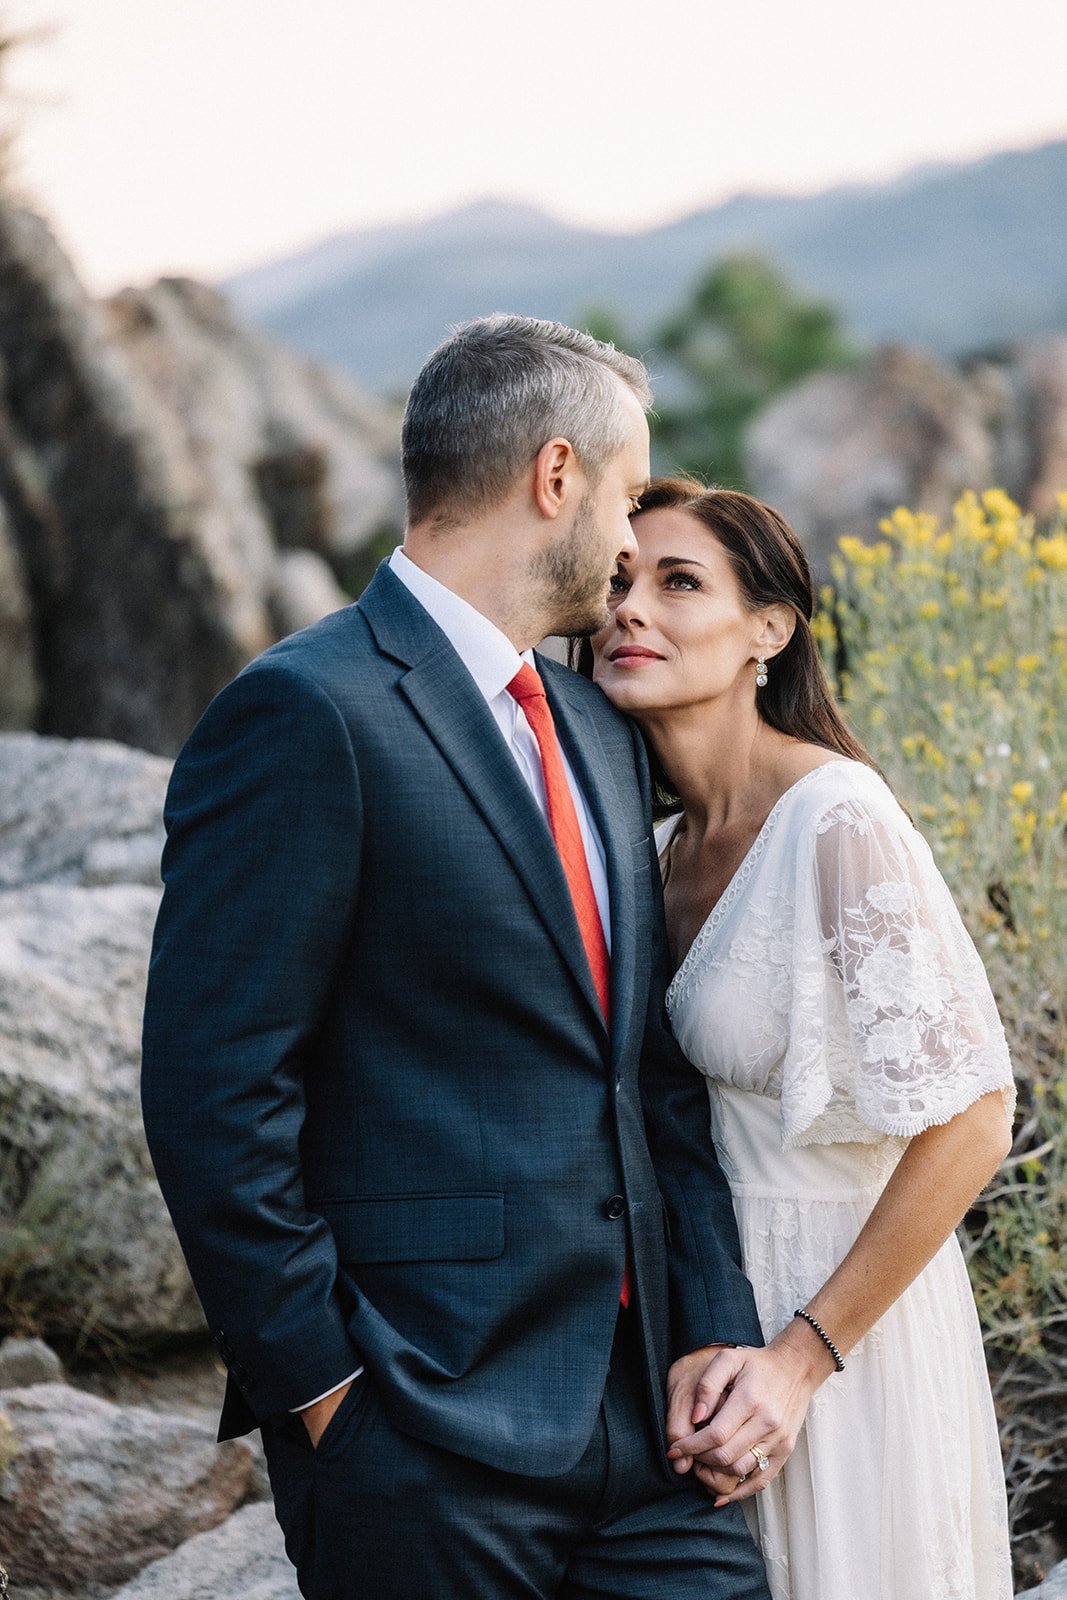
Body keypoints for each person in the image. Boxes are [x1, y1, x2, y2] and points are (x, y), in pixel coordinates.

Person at [140, 321, 774, 1600]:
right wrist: (326, 1396)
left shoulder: (595, 728)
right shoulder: (305, 711)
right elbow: (213, 1092)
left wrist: (712, 1324)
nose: (626, 543)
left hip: (645, 1431)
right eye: (625, 491)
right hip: (418, 1434)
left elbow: (644, 1073)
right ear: (555, 477)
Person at [586, 477, 1016, 1600]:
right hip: (710, 1325)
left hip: (839, 1320)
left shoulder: (835, 818)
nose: (630, 608)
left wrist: (797, 1359)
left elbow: (972, 1116)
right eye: (617, 580)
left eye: (679, 582)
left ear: (766, 630)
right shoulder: (660, 846)